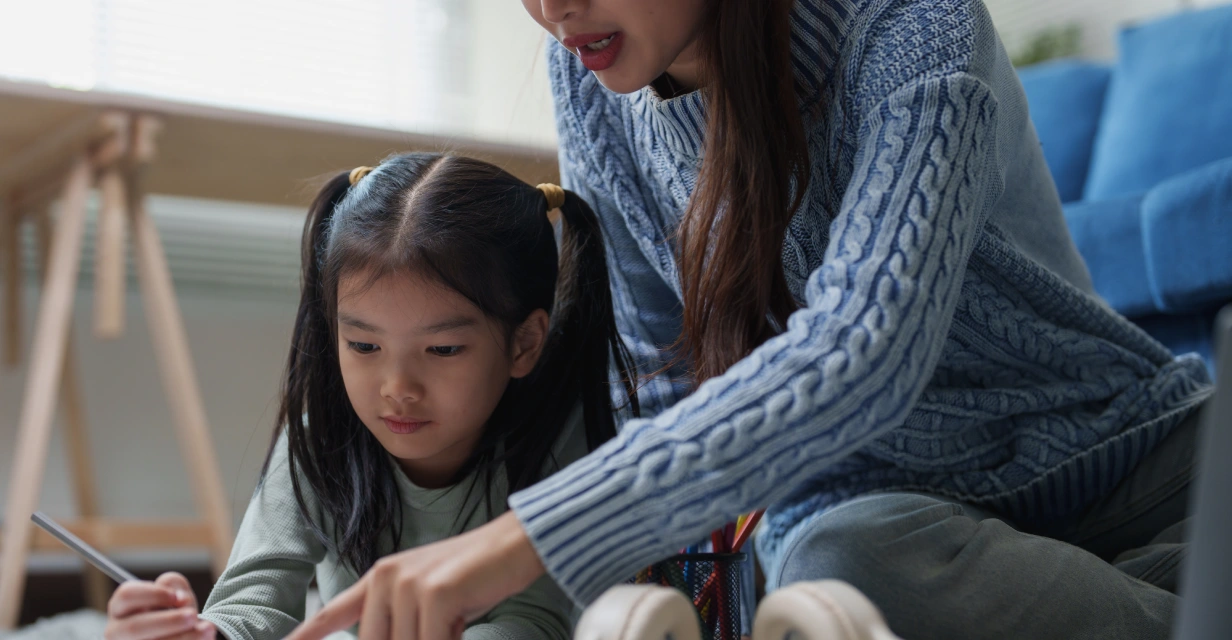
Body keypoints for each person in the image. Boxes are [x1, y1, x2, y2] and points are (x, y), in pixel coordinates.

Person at [289, 1, 1215, 638]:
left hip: (1142, 472)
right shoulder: (592, 76)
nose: (552, 6)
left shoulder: (912, 26)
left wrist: (507, 546)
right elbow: (656, 379)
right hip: (909, 530)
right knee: (836, 550)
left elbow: (861, 351)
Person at [102, 152, 638, 640]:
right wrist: (202, 635)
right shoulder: (322, 437)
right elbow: (253, 599)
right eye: (363, 344)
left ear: (523, 343)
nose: (397, 388)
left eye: (444, 349)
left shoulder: (562, 435)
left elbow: (535, 621)